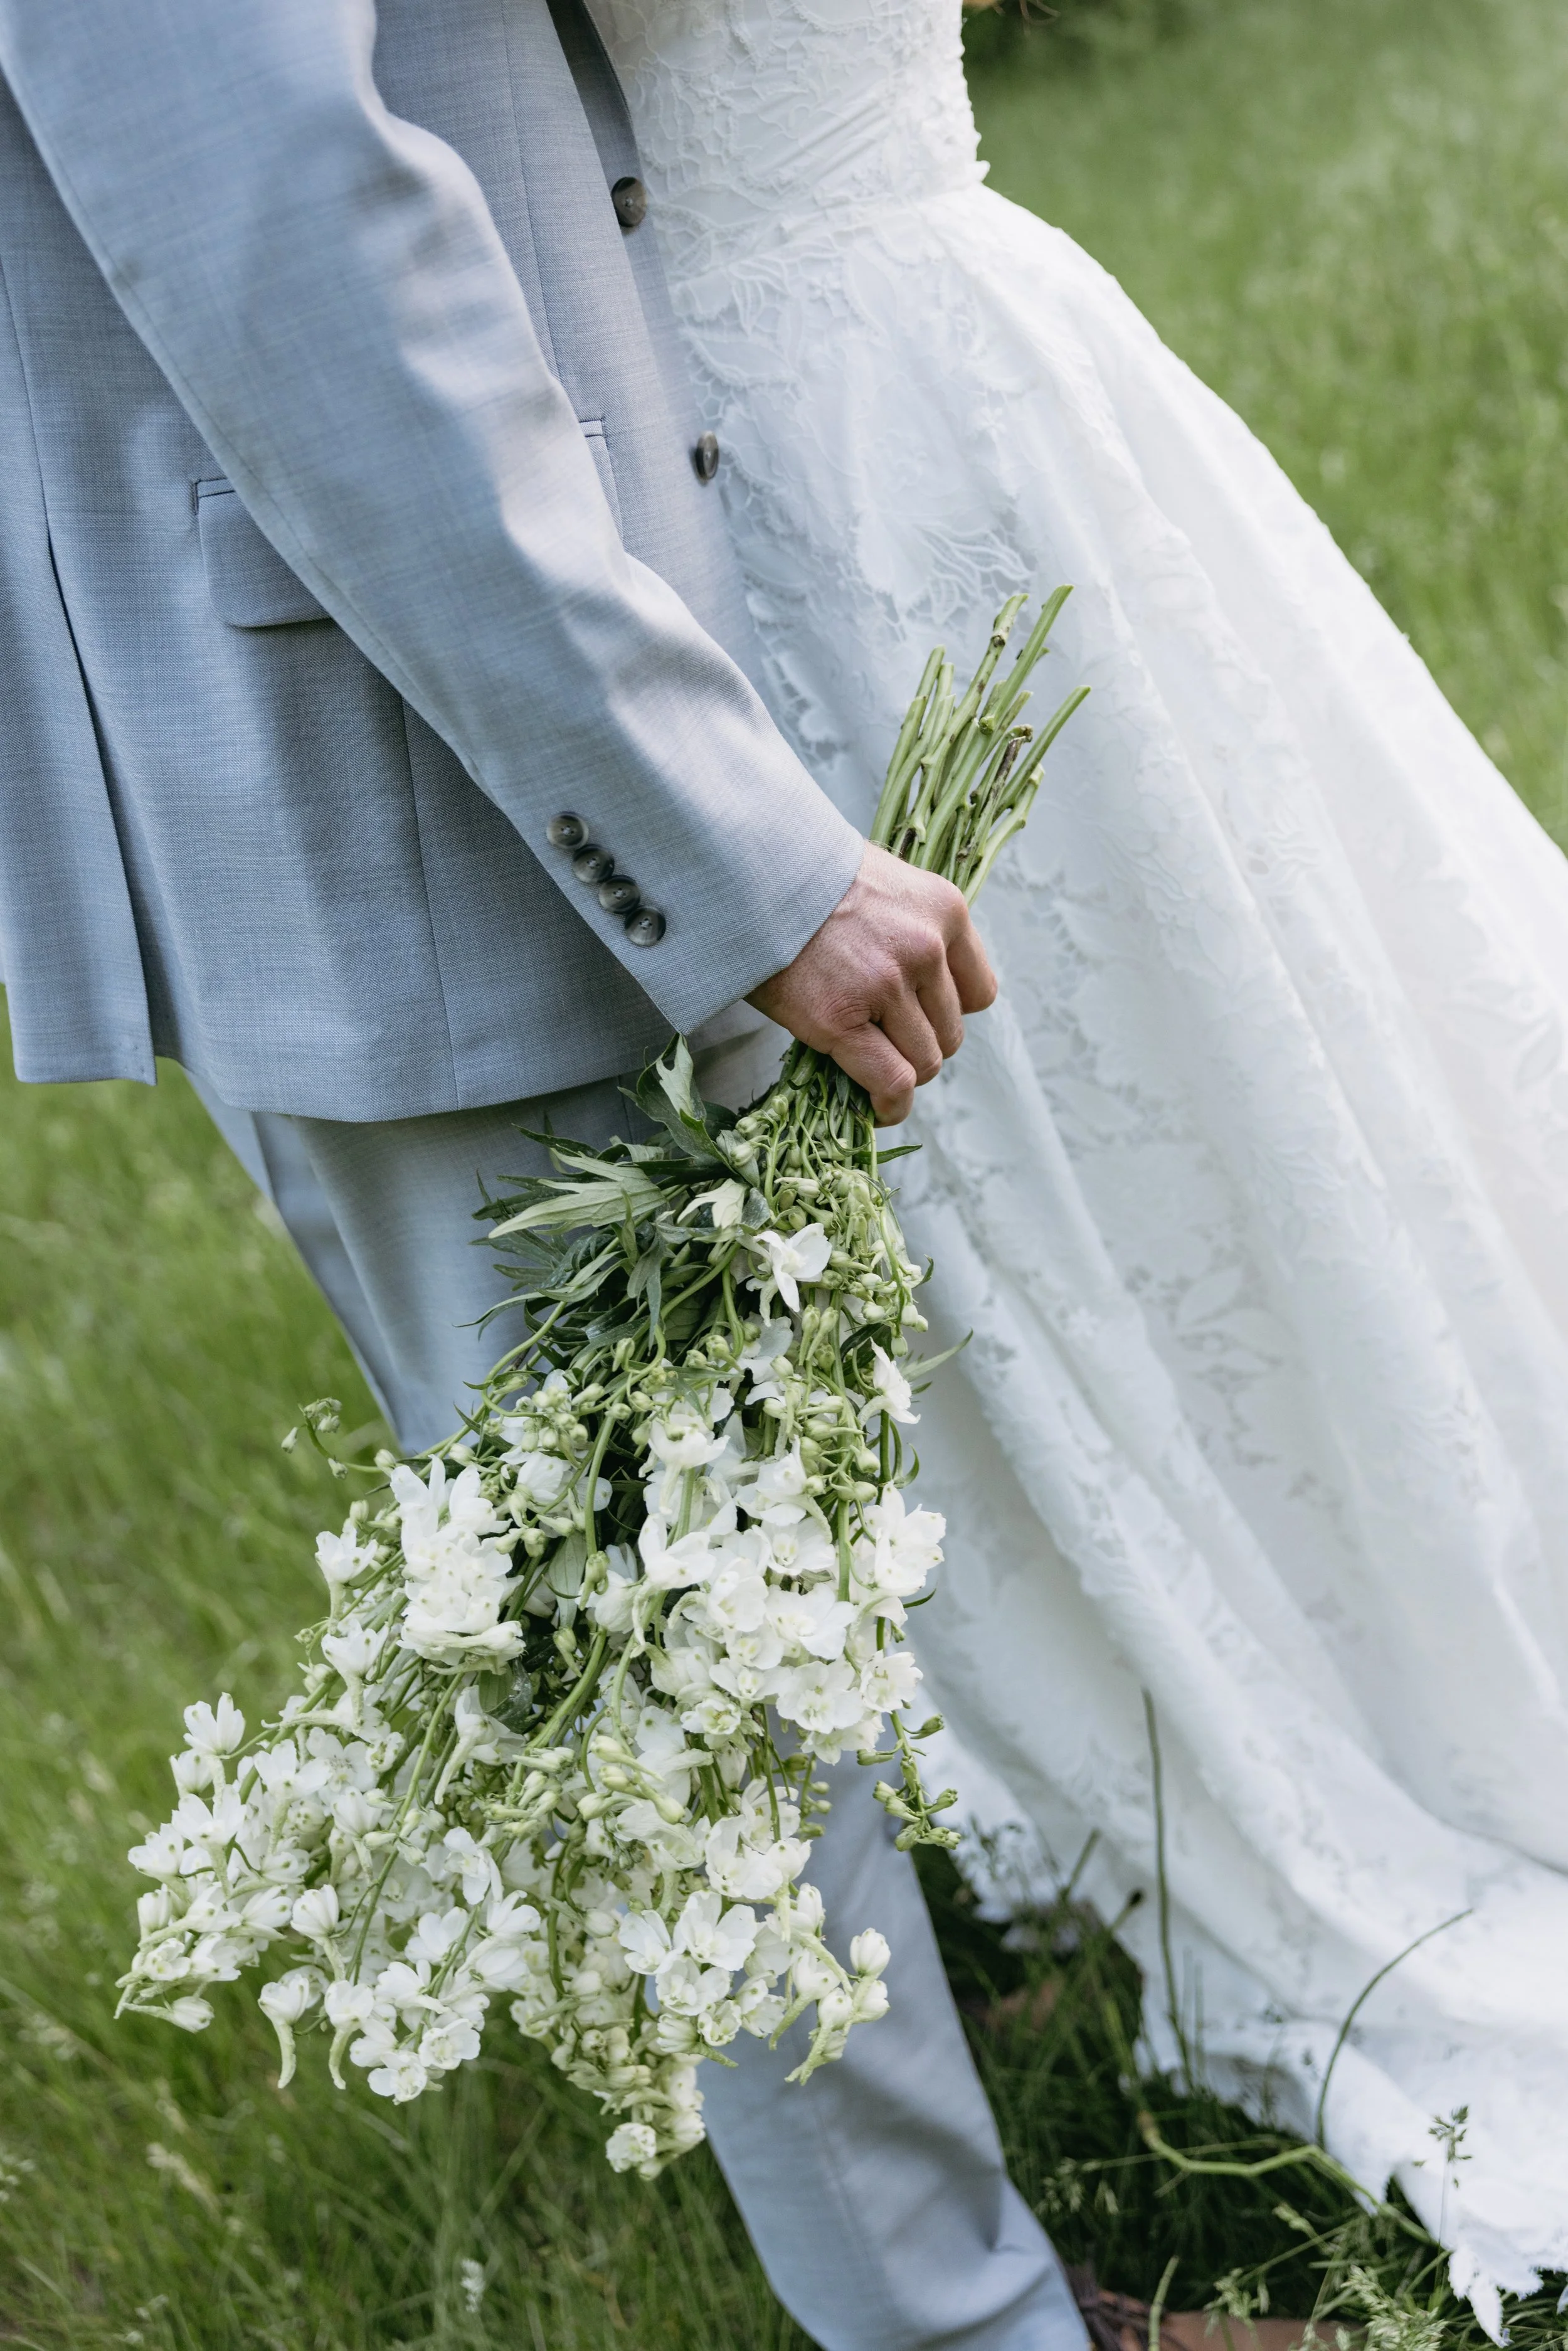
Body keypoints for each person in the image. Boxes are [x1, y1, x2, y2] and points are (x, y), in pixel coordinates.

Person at [0, 4, 1089, 2348]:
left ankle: (921, 2074)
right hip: (388, 727)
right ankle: (958, 2321)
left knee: (725, 1527)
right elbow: (269, 216)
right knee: (665, 1635)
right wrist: (725, 852)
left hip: (498, 655)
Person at [579, 0, 1568, 2309]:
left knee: (1172, 1060)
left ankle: (1329, 1634)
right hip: (915, 378)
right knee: (1131, 1102)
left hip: (830, 445)